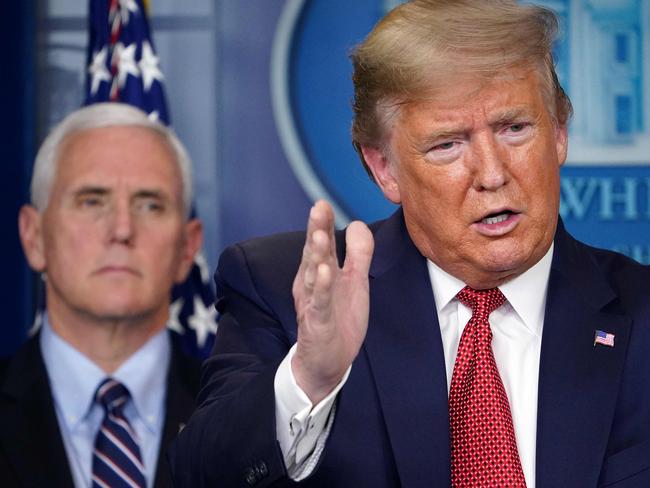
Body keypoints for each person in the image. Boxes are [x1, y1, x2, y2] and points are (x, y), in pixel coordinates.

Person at [171, 1, 650, 487]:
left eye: (514, 128)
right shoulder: (284, 293)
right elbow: (197, 476)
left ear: (560, 134)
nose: (492, 173)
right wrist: (309, 379)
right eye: (447, 144)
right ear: (384, 169)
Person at [0, 103, 204, 488]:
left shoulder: (249, 421)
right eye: (91, 201)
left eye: (150, 204)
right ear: (34, 236)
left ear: (187, 248)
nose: (122, 229)